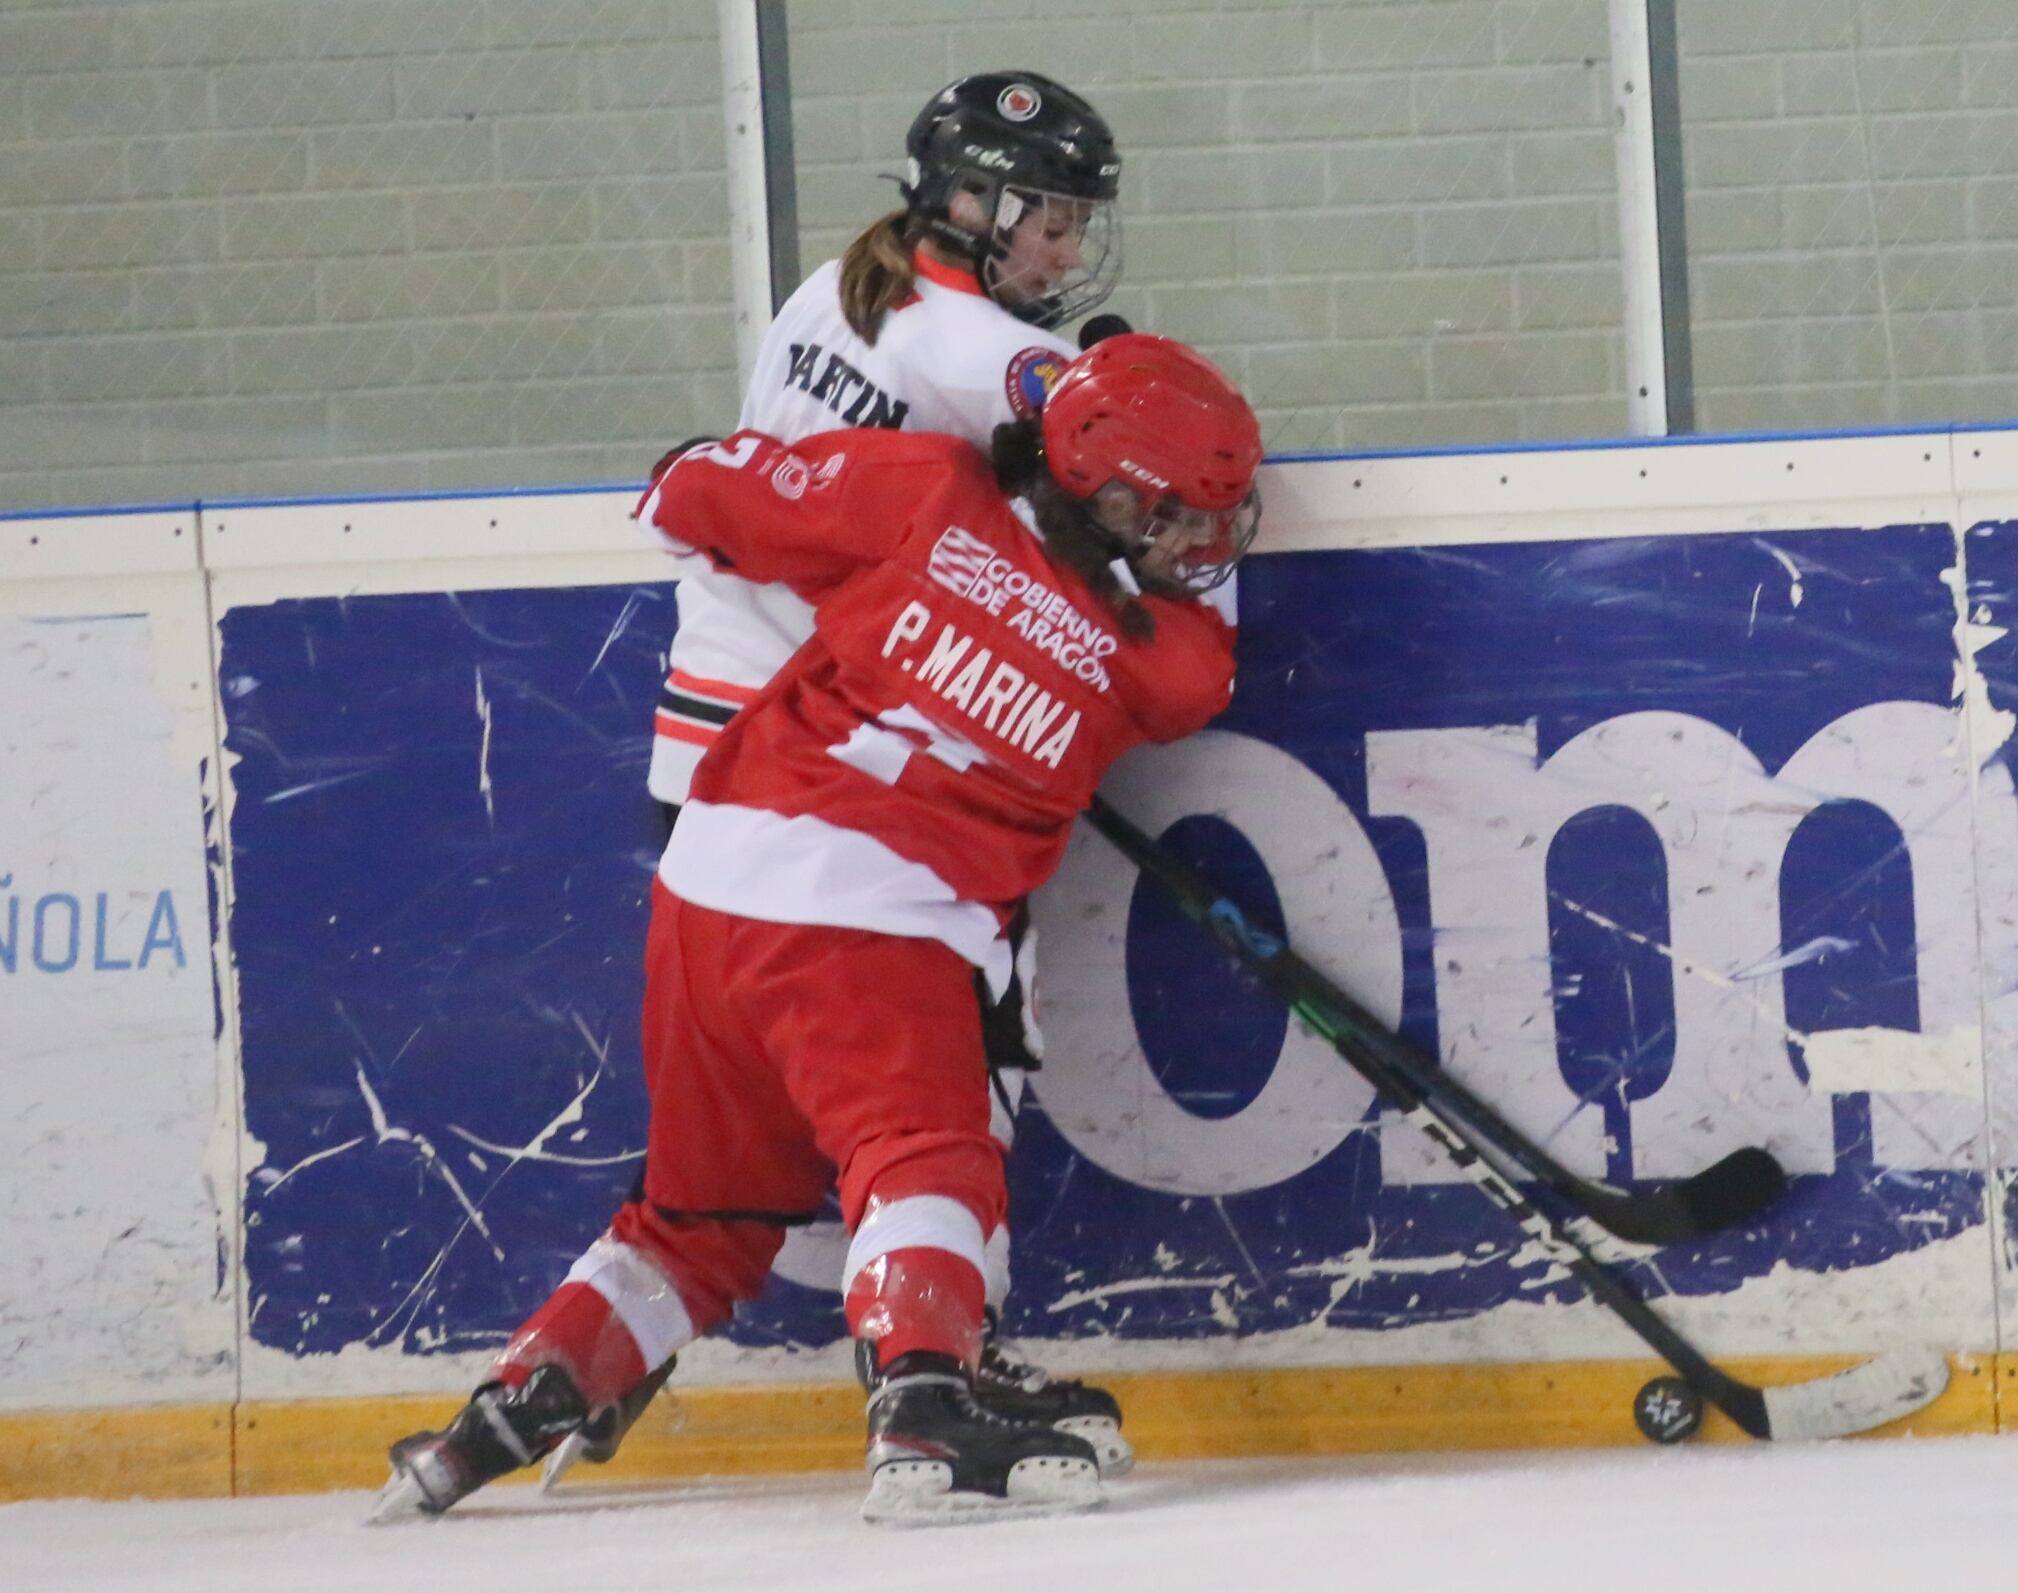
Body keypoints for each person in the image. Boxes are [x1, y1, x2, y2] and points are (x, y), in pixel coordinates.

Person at [373, 331, 1264, 1524]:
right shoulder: (1169, 665)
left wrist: (741, 478)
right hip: (874, 921)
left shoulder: (923, 489)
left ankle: (514, 1403)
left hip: (714, 889)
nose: (1199, 544)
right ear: (1102, 496)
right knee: (928, 1157)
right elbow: (1182, 646)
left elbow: (685, 496)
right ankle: (920, 1397)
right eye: (1177, 517)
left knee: (705, 1217)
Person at [633, 70, 1129, 1470]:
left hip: (714, 749)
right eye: (1047, 219)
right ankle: (928, 1368)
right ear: (970, 201)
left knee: (766, 1095)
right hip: (843, 759)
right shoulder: (983, 353)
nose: (1065, 249)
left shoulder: (835, 288)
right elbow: (1121, 483)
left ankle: (600, 1352)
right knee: (950, 1069)